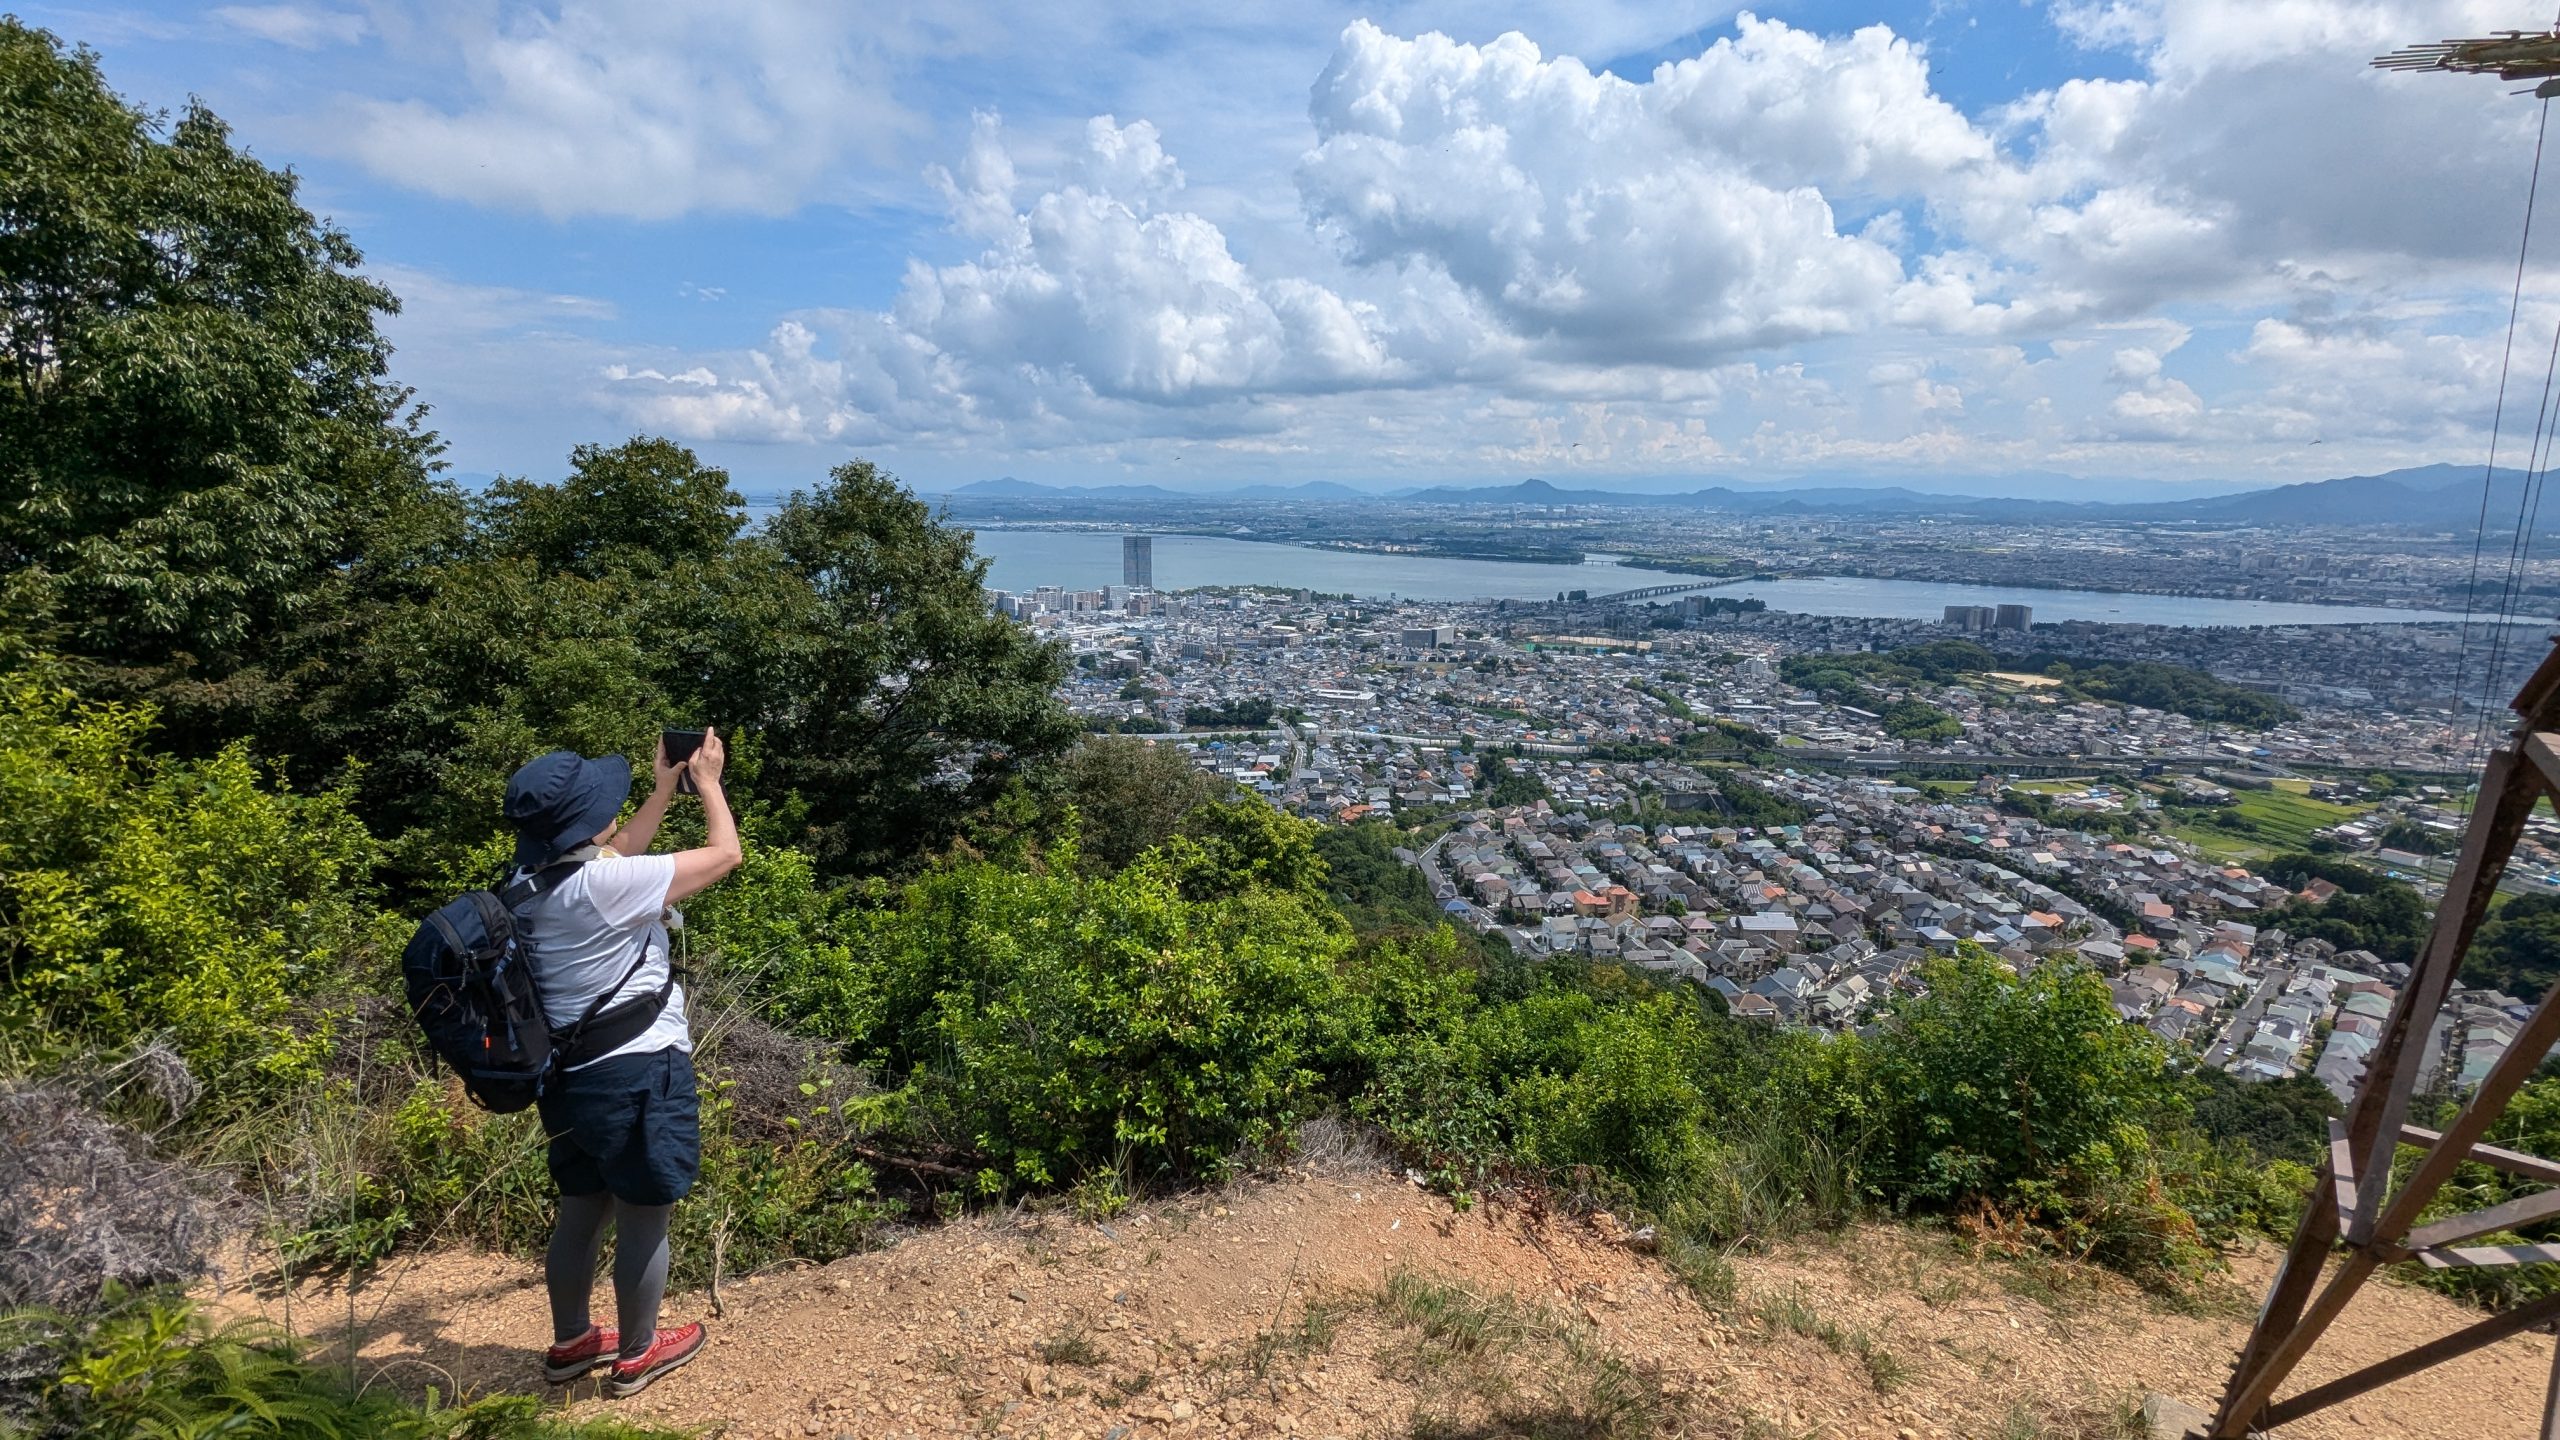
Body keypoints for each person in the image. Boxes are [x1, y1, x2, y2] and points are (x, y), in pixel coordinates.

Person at [501, 727, 741, 1398]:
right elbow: (726, 854)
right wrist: (710, 786)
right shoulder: (603, 887)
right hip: (638, 1071)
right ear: (579, 824)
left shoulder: (528, 882)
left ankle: (572, 1342)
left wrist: (665, 789)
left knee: (581, 1208)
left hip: (568, 1078)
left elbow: (617, 849)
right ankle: (638, 1354)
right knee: (644, 1210)